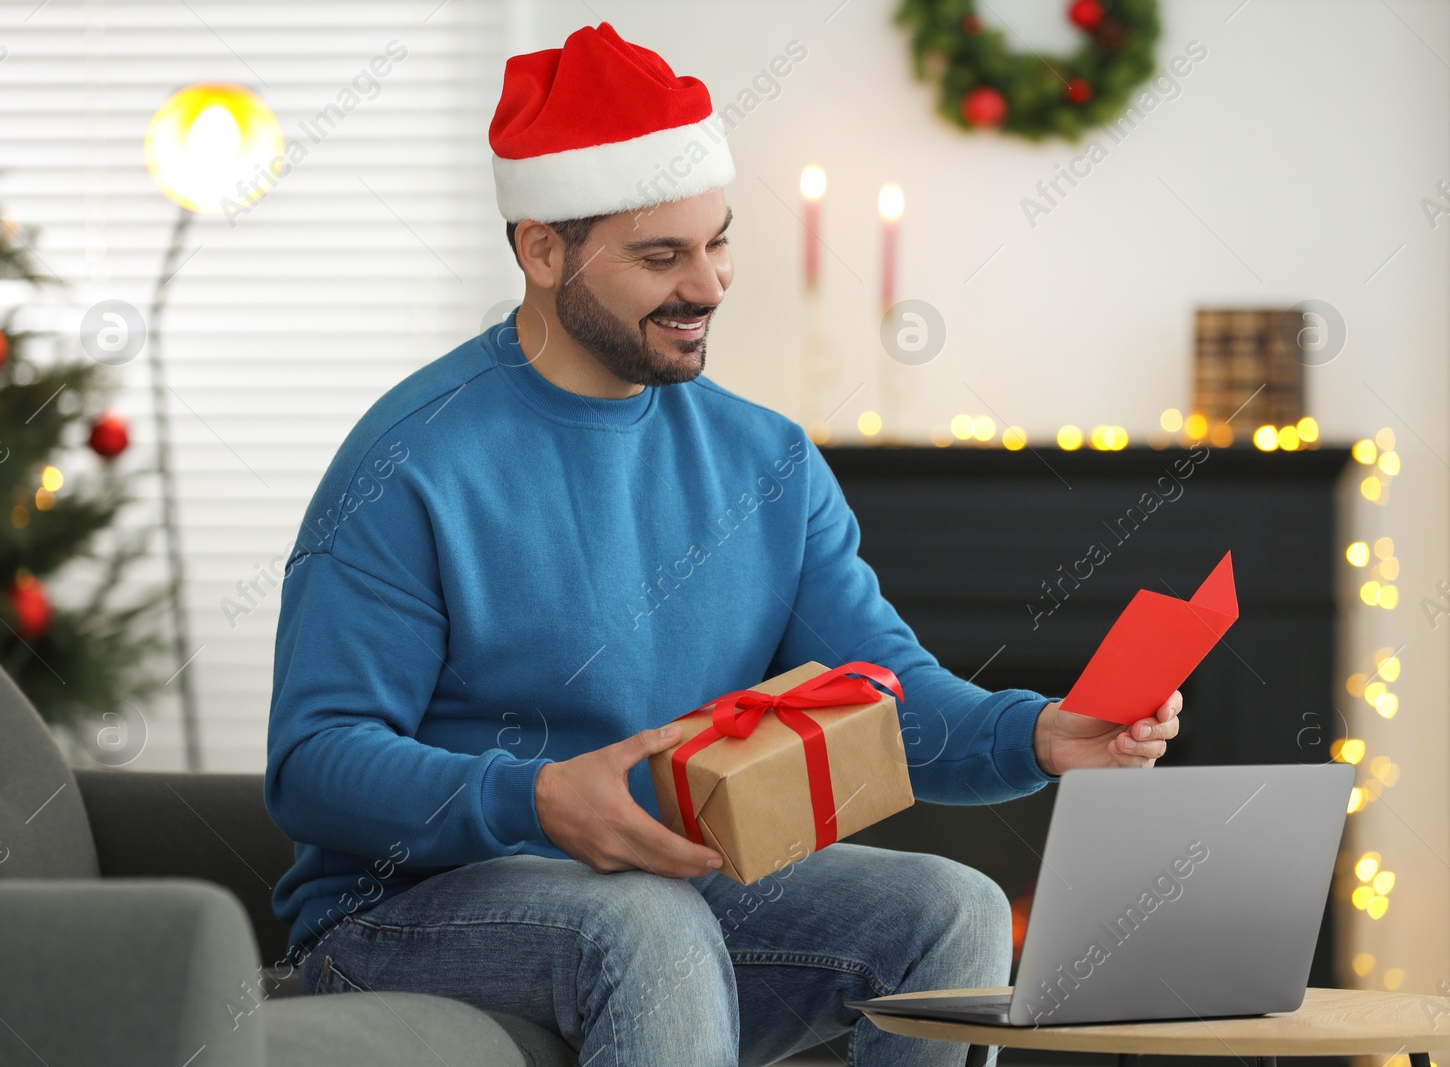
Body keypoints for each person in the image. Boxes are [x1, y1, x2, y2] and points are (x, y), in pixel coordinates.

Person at [263, 21, 1181, 1067]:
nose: (708, 285)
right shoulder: (412, 460)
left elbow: (880, 691)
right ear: (541, 247)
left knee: (952, 907)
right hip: (404, 912)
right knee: (646, 918)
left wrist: (1038, 734)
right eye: (661, 255)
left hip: (666, 882)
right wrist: (536, 798)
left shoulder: (766, 460)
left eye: (717, 241)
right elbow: (313, 764)